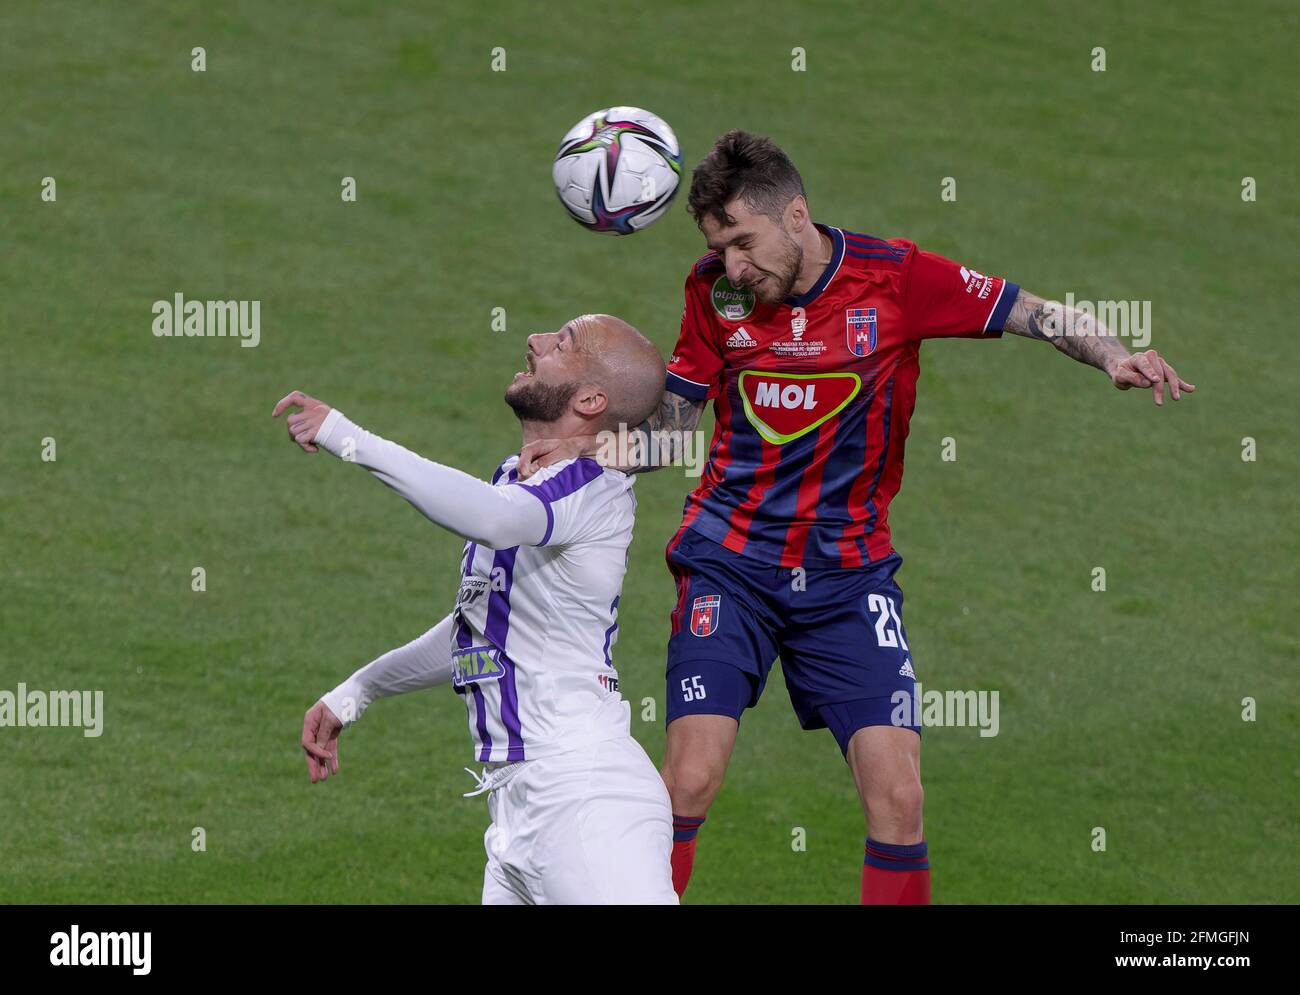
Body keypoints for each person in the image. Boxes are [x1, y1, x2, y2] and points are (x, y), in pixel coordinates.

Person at [519, 131, 1195, 904]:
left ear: (796, 214)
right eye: (718, 245)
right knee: (688, 782)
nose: (732, 265)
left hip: (848, 575)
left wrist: (1113, 356)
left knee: (899, 800)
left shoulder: (896, 279)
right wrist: (586, 454)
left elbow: (1030, 312)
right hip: (730, 564)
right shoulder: (714, 292)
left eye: (742, 241)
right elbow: (676, 424)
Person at [275, 313, 677, 905]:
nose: (536, 341)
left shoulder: (588, 488)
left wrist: (343, 434)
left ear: (592, 399)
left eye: (561, 342)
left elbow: (489, 518)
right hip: (516, 806)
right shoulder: (515, 481)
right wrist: (356, 692)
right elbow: (480, 630)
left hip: (585, 803)